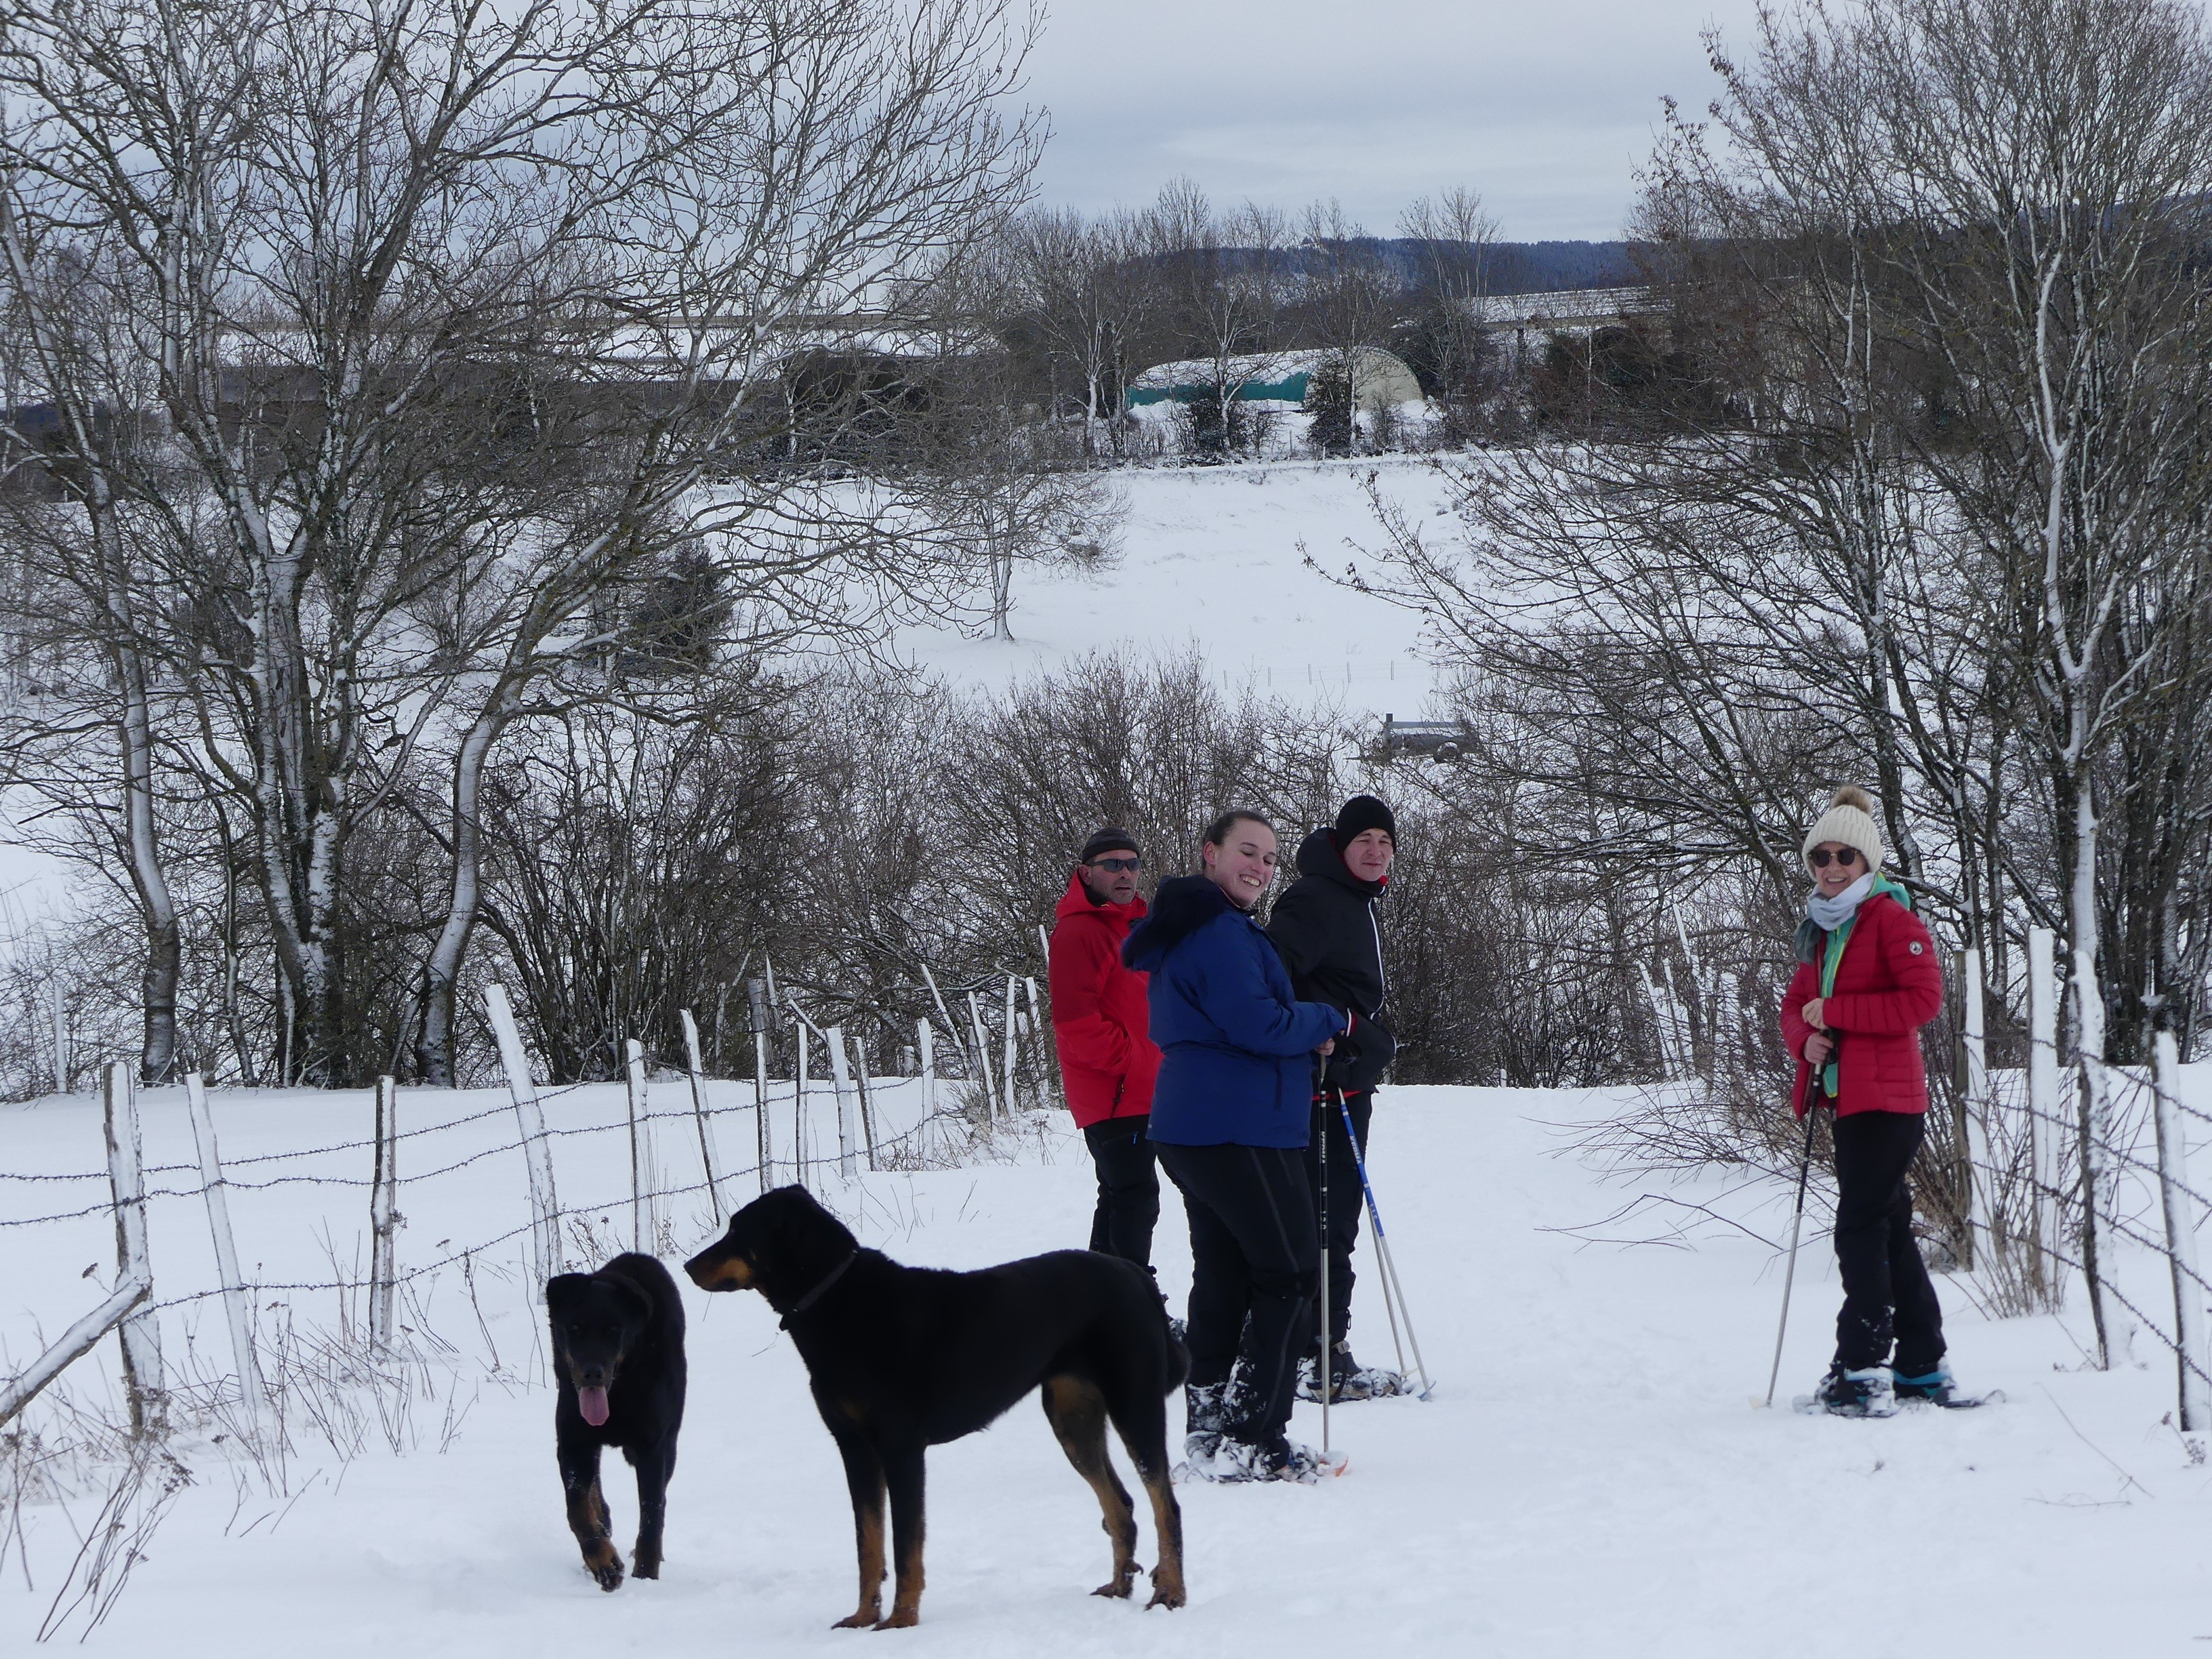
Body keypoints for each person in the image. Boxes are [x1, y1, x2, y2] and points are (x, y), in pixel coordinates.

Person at [1124, 809, 1348, 1483]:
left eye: (1271, 859)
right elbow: (1257, 1022)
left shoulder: (1210, 929)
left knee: (1223, 1274)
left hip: (1206, 1125)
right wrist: (1327, 1019)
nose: (1260, 866)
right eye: (1247, 852)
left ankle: (1211, 1427)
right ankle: (1255, 1435)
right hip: (1234, 1125)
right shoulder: (1219, 934)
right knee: (1290, 1272)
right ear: (1211, 854)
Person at [1779, 785, 1958, 1416]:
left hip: (1888, 1100)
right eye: (1820, 857)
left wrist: (1838, 1014)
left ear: (1867, 864)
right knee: (1887, 1228)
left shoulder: (1893, 919)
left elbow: (1922, 1002)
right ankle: (1920, 1366)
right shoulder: (1820, 929)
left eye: (1844, 857)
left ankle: (1860, 1368)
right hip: (1847, 1098)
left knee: (1859, 1229)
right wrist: (1808, 1042)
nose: (1831, 867)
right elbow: (1794, 1008)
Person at [1267, 794, 1404, 1404]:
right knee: (1325, 1221)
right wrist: (1329, 1029)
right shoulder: (1317, 898)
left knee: (1333, 1218)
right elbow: (1273, 978)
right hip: (1320, 1086)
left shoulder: (1350, 898)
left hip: (1345, 1080)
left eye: (1385, 842)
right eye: (1364, 842)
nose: (1376, 853)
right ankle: (1317, 1356)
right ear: (1340, 847)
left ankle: (1318, 1348)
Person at [1048, 826, 1164, 1271]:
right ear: (1086, 873)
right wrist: (1135, 1062)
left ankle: (1099, 1308)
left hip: (1135, 1090)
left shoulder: (1133, 928)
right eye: (1112, 864)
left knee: (1119, 1196)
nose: (1125, 874)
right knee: (1136, 1199)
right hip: (1115, 1093)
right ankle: (1128, 1311)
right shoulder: (1080, 932)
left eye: (1132, 864)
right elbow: (1076, 1025)